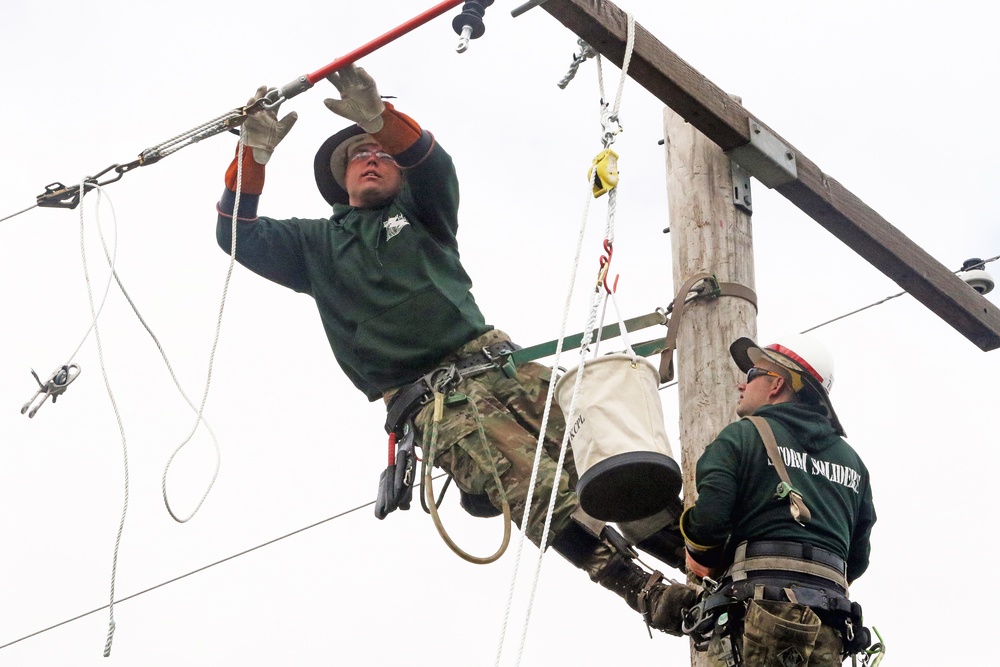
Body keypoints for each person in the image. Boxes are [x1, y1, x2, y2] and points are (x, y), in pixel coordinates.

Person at [215, 64, 696, 634]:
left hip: (500, 364)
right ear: (341, 179)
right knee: (534, 487)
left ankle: (708, 560)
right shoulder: (313, 245)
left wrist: (381, 119)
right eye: (358, 156)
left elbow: (433, 164)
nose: (371, 158)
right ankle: (642, 591)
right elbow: (234, 232)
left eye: (382, 154)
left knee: (603, 454)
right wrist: (253, 154)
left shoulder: (420, 213)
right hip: (438, 401)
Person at [679, 335, 876, 666]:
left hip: (757, 617)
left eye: (753, 373)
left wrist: (702, 557)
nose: (742, 385)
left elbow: (709, 523)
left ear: (776, 385)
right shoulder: (854, 464)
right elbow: (856, 559)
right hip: (828, 628)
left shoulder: (742, 436)